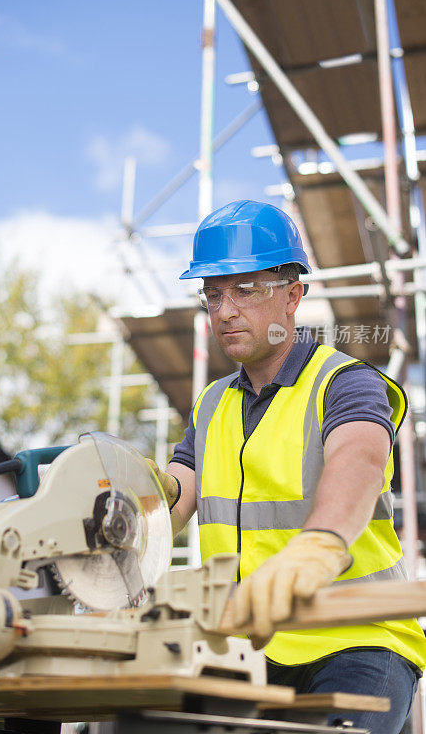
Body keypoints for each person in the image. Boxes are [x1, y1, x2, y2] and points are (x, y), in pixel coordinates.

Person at [152, 200, 426, 733]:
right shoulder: (211, 405)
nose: (225, 310)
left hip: (357, 638)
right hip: (248, 646)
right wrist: (139, 498)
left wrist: (320, 543)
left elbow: (361, 457)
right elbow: (178, 488)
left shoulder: (344, 381)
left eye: (245, 290)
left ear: (293, 295)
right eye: (213, 294)